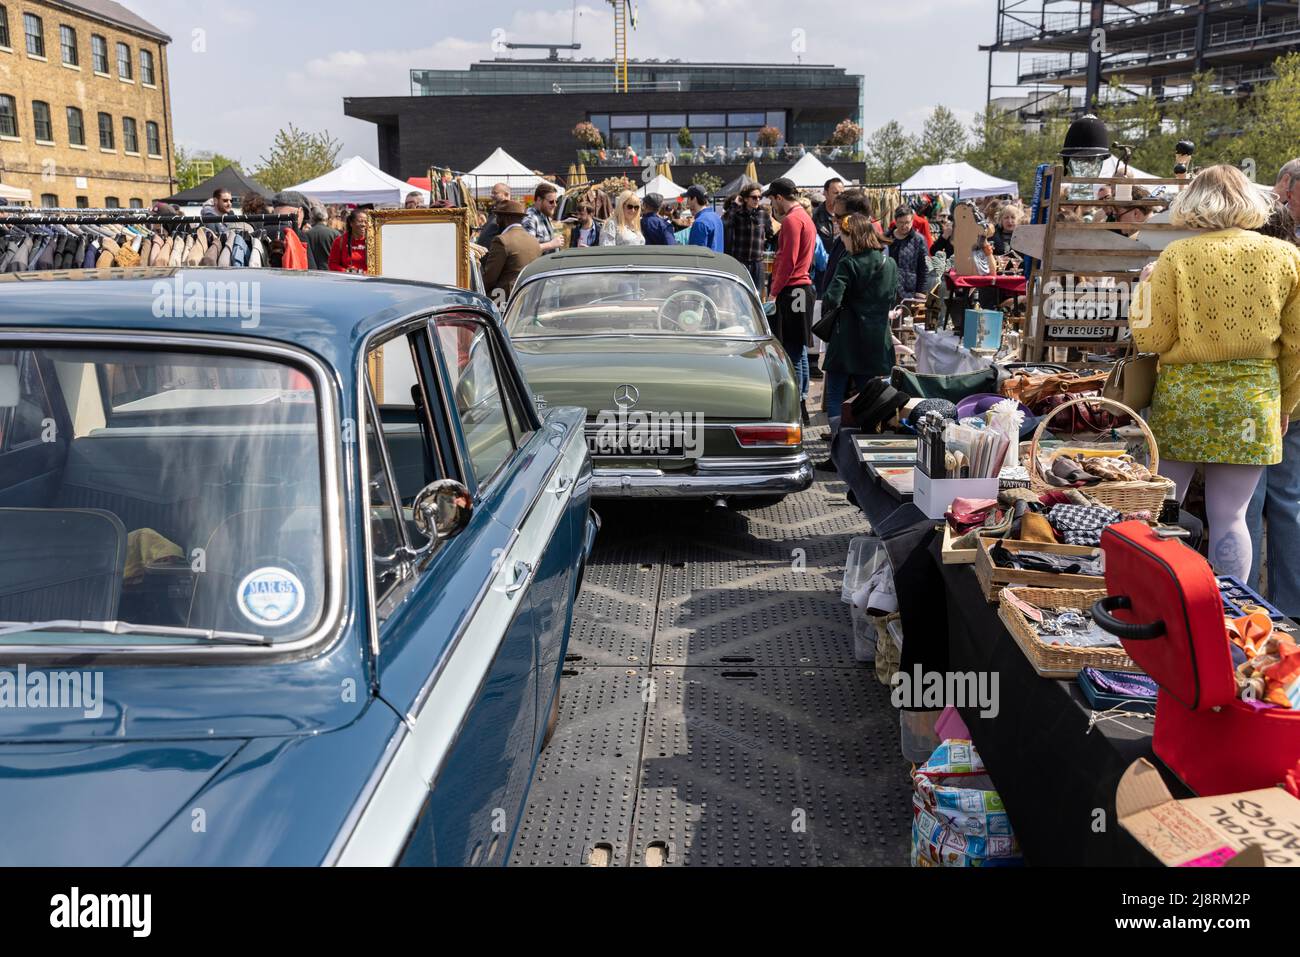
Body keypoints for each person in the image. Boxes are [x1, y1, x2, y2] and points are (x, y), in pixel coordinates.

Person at [1130, 164, 1300, 582]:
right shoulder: (1287, 258)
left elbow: (1151, 339)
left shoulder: (1177, 256)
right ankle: (1232, 621)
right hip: (1252, 398)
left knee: (1165, 508)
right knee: (1233, 516)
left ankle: (1165, 603)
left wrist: (1144, 288)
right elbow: (1296, 347)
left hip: (1185, 396)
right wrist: (1286, 404)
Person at [1248, 167, 1300, 613]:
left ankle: (1239, 598)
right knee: (1288, 499)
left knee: (1246, 498)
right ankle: (1291, 602)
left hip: (1270, 396)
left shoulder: (1266, 269)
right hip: (1286, 397)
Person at [820, 212, 900, 420]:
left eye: (844, 237)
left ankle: (839, 441)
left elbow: (832, 299)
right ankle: (864, 440)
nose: (843, 242)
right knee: (869, 395)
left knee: (836, 393)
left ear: (852, 236)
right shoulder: (889, 263)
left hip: (847, 338)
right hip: (876, 338)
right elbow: (892, 297)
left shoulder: (849, 263)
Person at [764, 177, 816, 405]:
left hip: (793, 288)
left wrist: (774, 292)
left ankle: (797, 402)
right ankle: (803, 397)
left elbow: (787, 260)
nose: (772, 206)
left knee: (792, 351)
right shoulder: (805, 217)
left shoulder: (792, 220)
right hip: (802, 287)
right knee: (799, 348)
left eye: (772, 200)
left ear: (778, 197)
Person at [480, 200, 541, 302]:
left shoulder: (502, 240)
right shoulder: (534, 241)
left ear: (506, 218)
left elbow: (489, 279)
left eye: (498, 217)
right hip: (529, 299)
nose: (497, 221)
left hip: (503, 301)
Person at [723, 183, 773, 292]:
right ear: (745, 198)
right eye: (754, 197)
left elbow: (770, 234)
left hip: (757, 263)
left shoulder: (763, 214)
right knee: (739, 293)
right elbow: (724, 222)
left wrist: (764, 246)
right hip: (740, 261)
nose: (757, 200)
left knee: (757, 294)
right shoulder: (737, 213)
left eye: (759, 197)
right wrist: (734, 204)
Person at [886, 205, 929, 301]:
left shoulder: (919, 240)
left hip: (909, 291)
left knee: (906, 315)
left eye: (907, 222)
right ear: (895, 221)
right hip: (887, 290)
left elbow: (924, 267)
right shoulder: (886, 238)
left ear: (912, 221)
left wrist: (921, 291)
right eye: (901, 222)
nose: (904, 226)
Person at [523, 183, 565, 254]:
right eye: (551, 202)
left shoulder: (544, 214)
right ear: (539, 200)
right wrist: (551, 244)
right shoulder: (530, 218)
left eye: (556, 201)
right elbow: (527, 249)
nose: (555, 205)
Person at [328, 208, 369, 273]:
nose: (363, 224)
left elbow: (378, 265)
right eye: (360, 221)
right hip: (346, 280)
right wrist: (347, 271)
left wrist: (364, 272)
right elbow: (332, 264)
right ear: (351, 223)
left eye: (366, 222)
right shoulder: (340, 241)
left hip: (367, 280)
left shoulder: (372, 242)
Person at [685, 185, 724, 251]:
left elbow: (696, 254)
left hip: (707, 261)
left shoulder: (700, 222)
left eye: (688, 198)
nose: (687, 203)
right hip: (718, 260)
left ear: (694, 199)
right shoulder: (716, 217)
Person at [306, 204, 340, 272]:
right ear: (326, 218)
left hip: (312, 272)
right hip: (331, 271)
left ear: (312, 218)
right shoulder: (335, 233)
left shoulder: (306, 234)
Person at [813, 177, 843, 246]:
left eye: (842, 193)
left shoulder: (849, 214)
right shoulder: (815, 215)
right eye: (836, 193)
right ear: (826, 193)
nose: (840, 196)